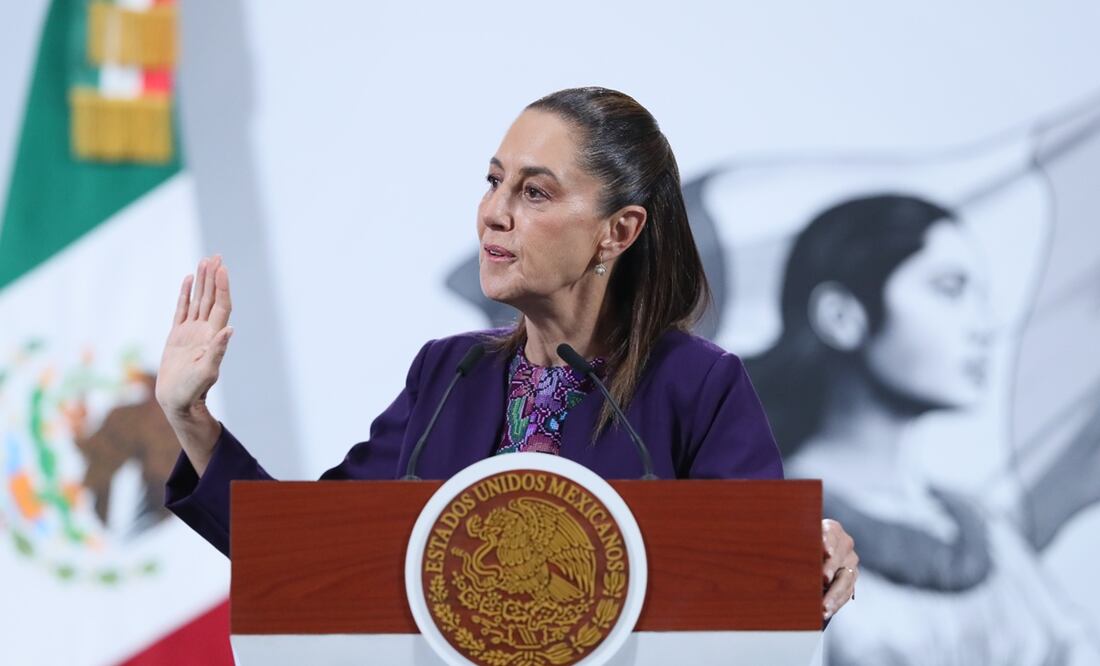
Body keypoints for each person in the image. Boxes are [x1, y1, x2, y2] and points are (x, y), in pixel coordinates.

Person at [155, 87, 859, 621]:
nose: (494, 212)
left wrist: (811, 562)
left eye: (534, 192)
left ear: (618, 231)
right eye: (494, 181)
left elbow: (760, 599)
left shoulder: (697, 385)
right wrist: (190, 416)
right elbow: (306, 555)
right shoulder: (447, 375)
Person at [745, 194, 1100, 664]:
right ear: (841, 316)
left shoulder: (985, 533)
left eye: (981, 296)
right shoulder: (761, 524)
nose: (983, 326)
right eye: (950, 289)